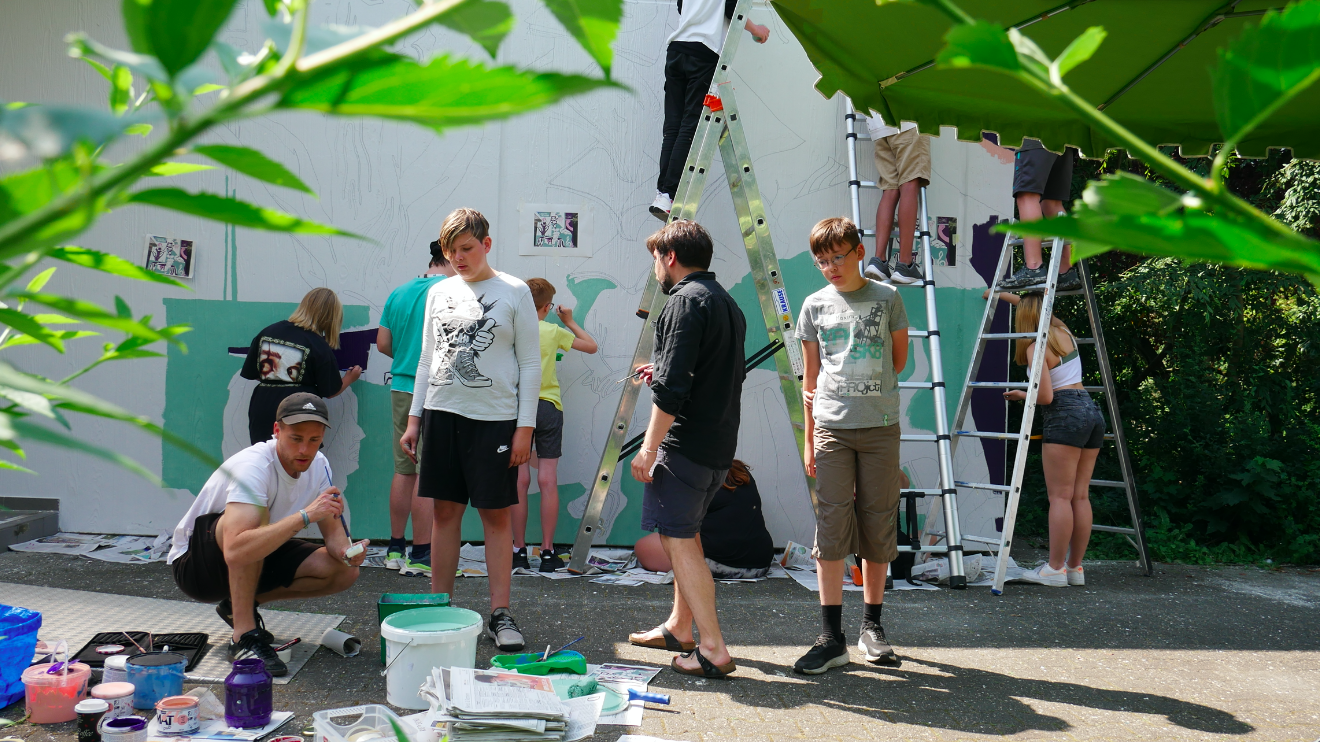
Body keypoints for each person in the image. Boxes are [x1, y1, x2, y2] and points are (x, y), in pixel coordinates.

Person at [399, 208, 540, 653]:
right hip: (441, 415)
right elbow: (426, 359)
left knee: (495, 515)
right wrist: (414, 419)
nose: (458, 258)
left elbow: (530, 364)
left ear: (486, 244)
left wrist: (525, 428)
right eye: (450, 251)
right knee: (444, 514)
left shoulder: (515, 291)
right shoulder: (438, 292)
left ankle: (501, 614)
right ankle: (440, 608)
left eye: (466, 248)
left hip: (495, 419)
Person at [167, 393, 364, 677]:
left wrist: (347, 553)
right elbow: (236, 549)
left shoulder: (320, 464)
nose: (305, 449)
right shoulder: (254, 466)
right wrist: (305, 515)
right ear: (277, 431)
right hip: (197, 569)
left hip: (253, 552)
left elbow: (334, 535)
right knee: (254, 529)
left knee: (344, 571)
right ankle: (243, 636)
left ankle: (237, 607)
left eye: (314, 440)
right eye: (296, 438)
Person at [627, 220, 746, 678]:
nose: (655, 269)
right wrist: (661, 367)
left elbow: (673, 389)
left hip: (685, 447)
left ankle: (713, 648)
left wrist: (648, 449)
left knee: (678, 542)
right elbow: (712, 371)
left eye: (656, 259)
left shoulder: (682, 301)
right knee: (688, 534)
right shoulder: (725, 302)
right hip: (717, 444)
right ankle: (680, 627)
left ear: (670, 257)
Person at [795, 216, 908, 675]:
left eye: (837, 257)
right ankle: (831, 637)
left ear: (859, 252)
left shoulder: (888, 298)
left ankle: (872, 628)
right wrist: (809, 439)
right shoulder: (813, 305)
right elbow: (810, 379)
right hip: (830, 431)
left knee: (878, 524)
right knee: (831, 527)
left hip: (880, 427)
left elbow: (898, 361)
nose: (830, 268)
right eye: (821, 261)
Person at [985, 289, 1103, 587]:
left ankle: (1054, 569)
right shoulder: (1063, 332)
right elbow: (1039, 310)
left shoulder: (1035, 346)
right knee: (1080, 495)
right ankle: (1074, 569)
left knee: (1059, 497)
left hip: (1064, 414)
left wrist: (1021, 394)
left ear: (1024, 317)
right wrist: (1000, 294)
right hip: (1090, 411)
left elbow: (1047, 396)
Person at [376, 241, 456, 578]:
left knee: (404, 469)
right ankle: (422, 553)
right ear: (451, 257)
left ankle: (396, 548)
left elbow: (383, 344)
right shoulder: (452, 292)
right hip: (435, 389)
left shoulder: (399, 292)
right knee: (427, 472)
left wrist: (407, 359)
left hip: (400, 385)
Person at [649, 0, 770, 221]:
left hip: (677, 49)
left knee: (672, 128)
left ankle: (662, 194)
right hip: (703, 53)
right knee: (689, 126)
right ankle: (669, 194)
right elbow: (733, 9)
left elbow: (682, 7)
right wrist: (757, 30)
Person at [511, 278, 599, 573]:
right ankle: (548, 552)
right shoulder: (553, 331)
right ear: (547, 307)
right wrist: (569, 321)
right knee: (547, 480)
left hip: (517, 408)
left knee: (519, 481)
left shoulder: (513, 329)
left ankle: (518, 550)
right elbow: (591, 347)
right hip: (548, 407)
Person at [240, 288, 362, 445]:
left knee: (264, 454)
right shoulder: (318, 345)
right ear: (330, 317)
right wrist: (350, 378)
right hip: (299, 409)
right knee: (299, 455)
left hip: (263, 405)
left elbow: (253, 372)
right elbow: (330, 391)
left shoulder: (269, 331)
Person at [631, 460, 774, 580]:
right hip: (761, 562)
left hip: (726, 565)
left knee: (642, 547)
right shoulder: (738, 469)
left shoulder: (692, 475)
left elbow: (675, 525)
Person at [999, 139, 1082, 292]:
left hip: (1034, 137)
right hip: (1064, 140)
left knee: (1027, 196)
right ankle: (1065, 271)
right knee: (1052, 203)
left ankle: (1034, 267)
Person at [861, 112, 930, 286]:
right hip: (908, 120)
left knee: (890, 189)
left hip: (878, 125)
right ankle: (905, 263)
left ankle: (879, 260)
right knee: (909, 183)